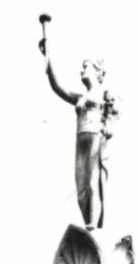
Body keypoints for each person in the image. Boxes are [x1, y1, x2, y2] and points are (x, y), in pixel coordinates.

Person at [38, 18, 119, 231]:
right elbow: (56, 85)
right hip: (81, 139)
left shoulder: (102, 94)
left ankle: (93, 226)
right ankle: (89, 222)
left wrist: (108, 130)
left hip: (94, 135)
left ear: (98, 71)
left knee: (92, 182)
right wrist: (48, 52)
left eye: (86, 67)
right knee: (81, 187)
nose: (82, 71)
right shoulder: (79, 97)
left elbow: (114, 116)